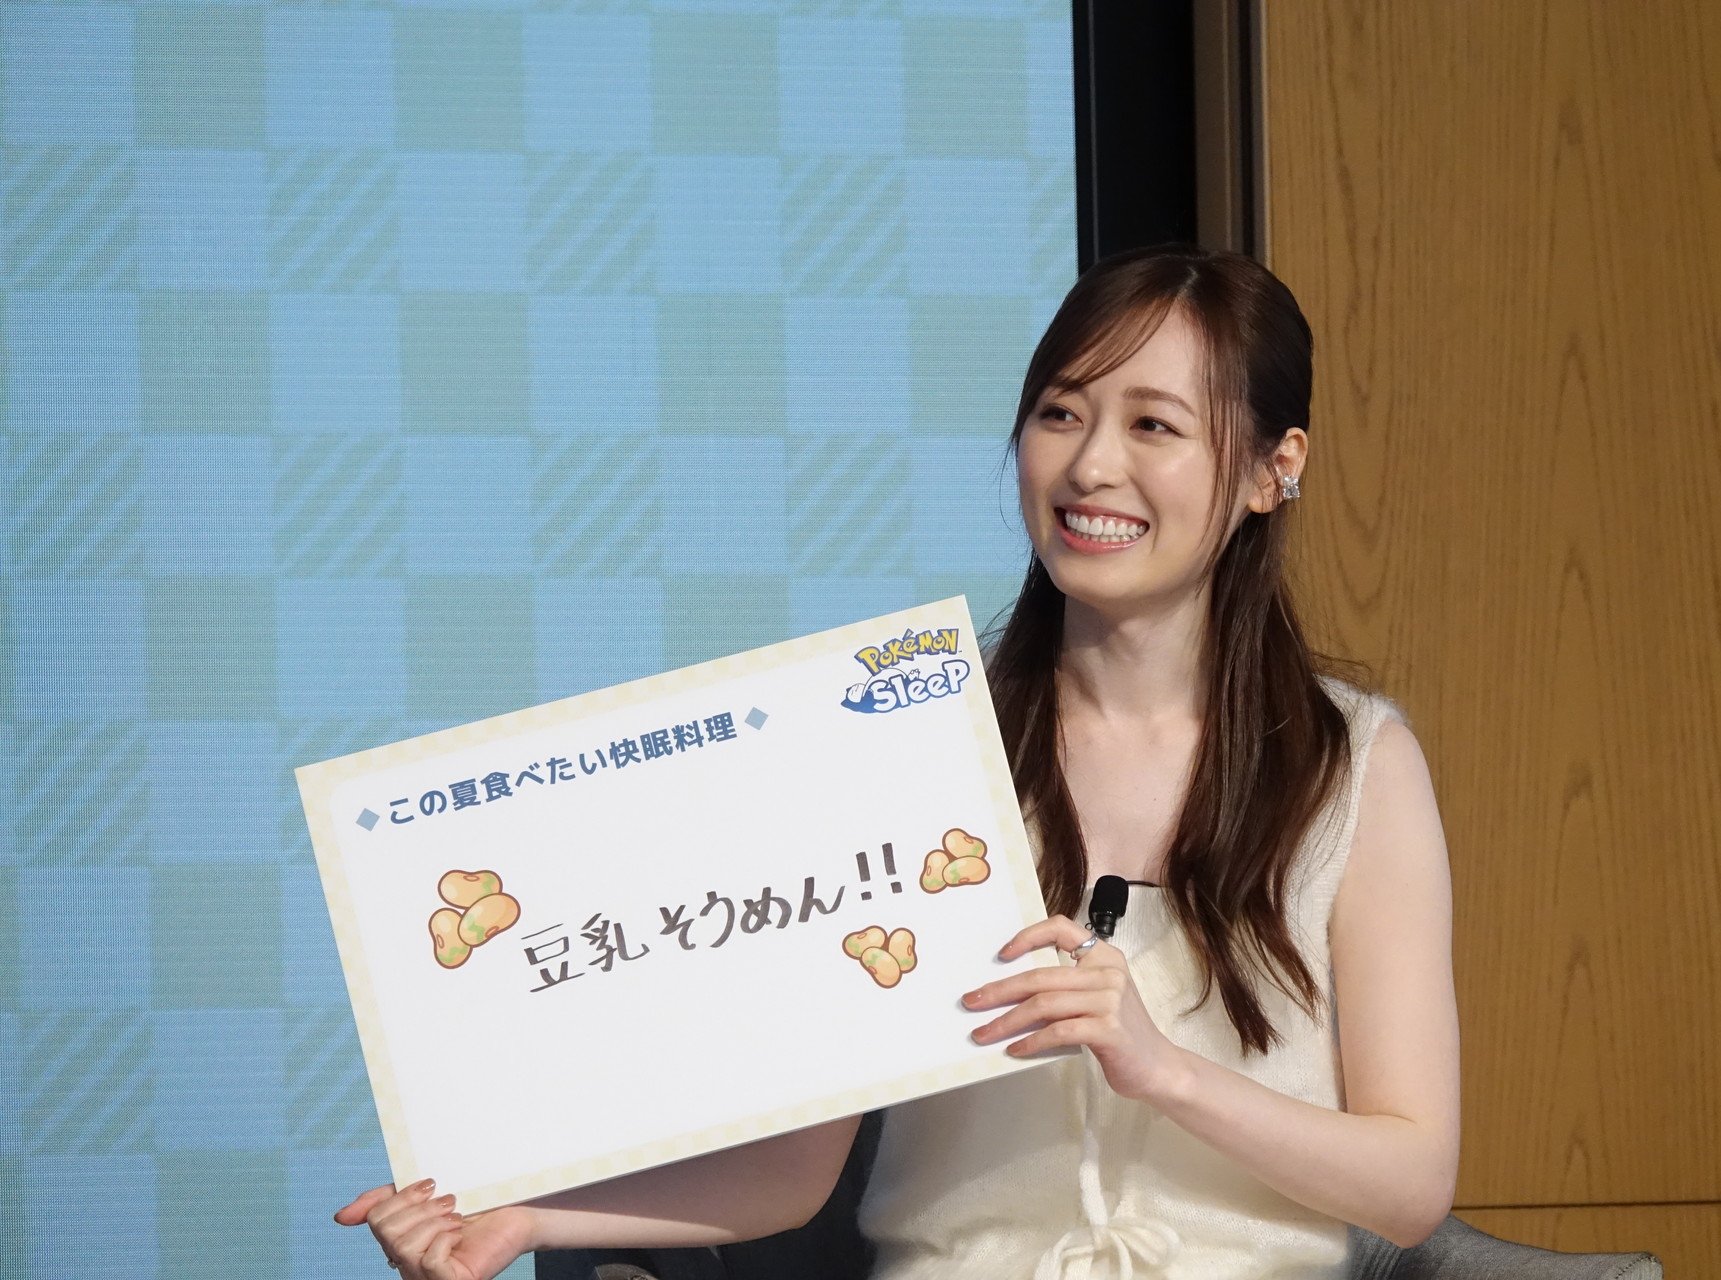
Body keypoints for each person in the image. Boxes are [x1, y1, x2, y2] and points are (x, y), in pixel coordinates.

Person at [336, 245, 1460, 1280]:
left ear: (1272, 467)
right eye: (1060, 413)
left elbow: (1411, 1186)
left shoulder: (1355, 766)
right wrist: (523, 1213)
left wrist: (1162, 1069)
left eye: (1154, 425)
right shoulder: (906, 743)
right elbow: (793, 1176)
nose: (1091, 465)